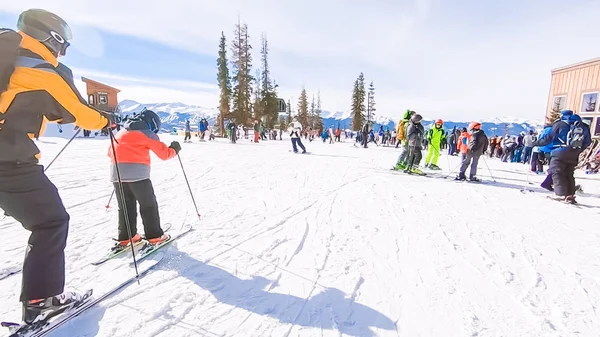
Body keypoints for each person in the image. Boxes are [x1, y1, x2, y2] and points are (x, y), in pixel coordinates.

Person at [0, 9, 113, 324]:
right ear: (52, 39)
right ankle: (43, 298)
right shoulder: (39, 68)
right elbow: (79, 111)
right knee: (51, 222)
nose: (62, 52)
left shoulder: (8, 57)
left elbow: (39, 107)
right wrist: (105, 119)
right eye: (63, 45)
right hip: (9, 159)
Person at [108, 109, 179, 250]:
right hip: (138, 176)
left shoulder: (122, 132)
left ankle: (127, 237)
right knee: (148, 205)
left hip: (116, 174)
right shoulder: (146, 133)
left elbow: (110, 152)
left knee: (125, 207)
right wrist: (175, 149)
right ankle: (155, 236)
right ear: (152, 124)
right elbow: (164, 154)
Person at [533, 110, 591, 203]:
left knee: (557, 172)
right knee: (569, 173)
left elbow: (549, 138)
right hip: (574, 153)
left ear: (562, 115)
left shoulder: (560, 124)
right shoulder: (583, 126)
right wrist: (577, 150)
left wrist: (535, 143)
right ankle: (570, 195)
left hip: (559, 152)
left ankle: (560, 194)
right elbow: (587, 142)